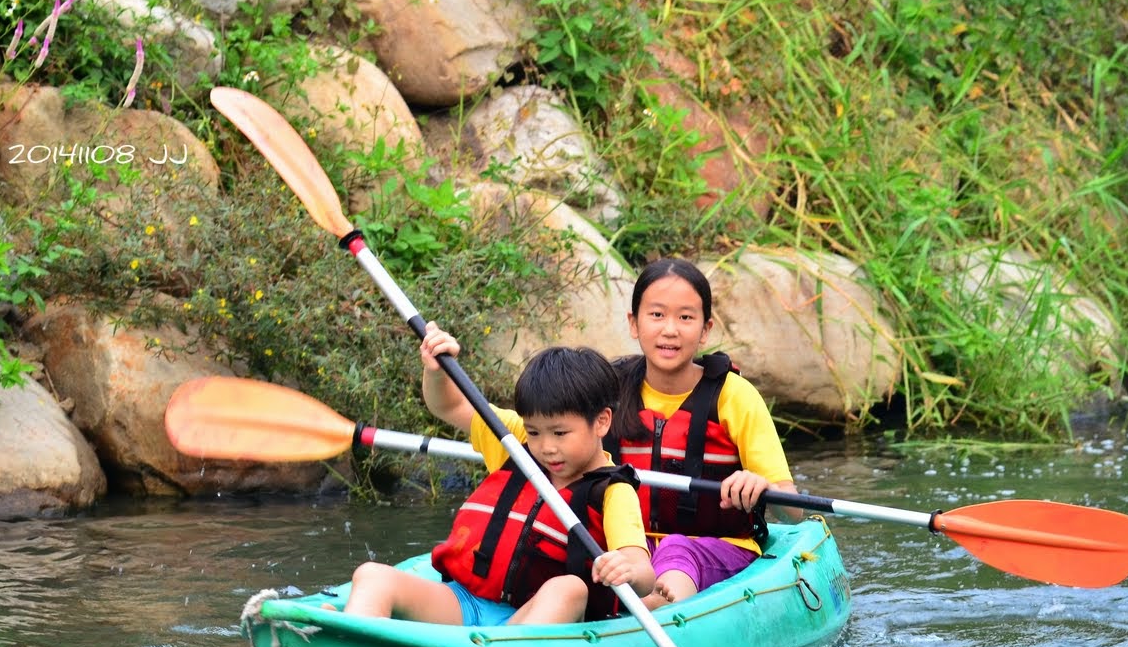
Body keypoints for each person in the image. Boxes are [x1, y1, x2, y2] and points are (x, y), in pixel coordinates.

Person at [342, 324, 656, 625]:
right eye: (535, 432)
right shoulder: (515, 443)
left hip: (539, 618)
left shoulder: (613, 491)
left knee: (568, 588)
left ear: (601, 422)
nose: (546, 447)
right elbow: (450, 406)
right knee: (372, 575)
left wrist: (626, 570)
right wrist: (436, 372)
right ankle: (350, 642)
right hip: (465, 603)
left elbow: (643, 574)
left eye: (560, 433)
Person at [608, 257, 802, 608]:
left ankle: (661, 608)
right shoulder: (608, 391)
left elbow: (793, 512)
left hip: (718, 549)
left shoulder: (734, 396)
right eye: (656, 315)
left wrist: (760, 486)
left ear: (705, 330)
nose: (670, 330)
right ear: (634, 324)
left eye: (685, 318)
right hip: (632, 548)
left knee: (675, 547)